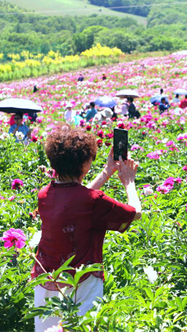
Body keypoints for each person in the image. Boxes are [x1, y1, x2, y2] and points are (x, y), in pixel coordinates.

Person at [31, 125, 141, 331]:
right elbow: (134, 213)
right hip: (82, 282)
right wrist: (129, 182)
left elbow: (74, 198)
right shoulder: (92, 201)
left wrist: (106, 172)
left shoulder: (45, 193)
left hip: (47, 279)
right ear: (84, 164)